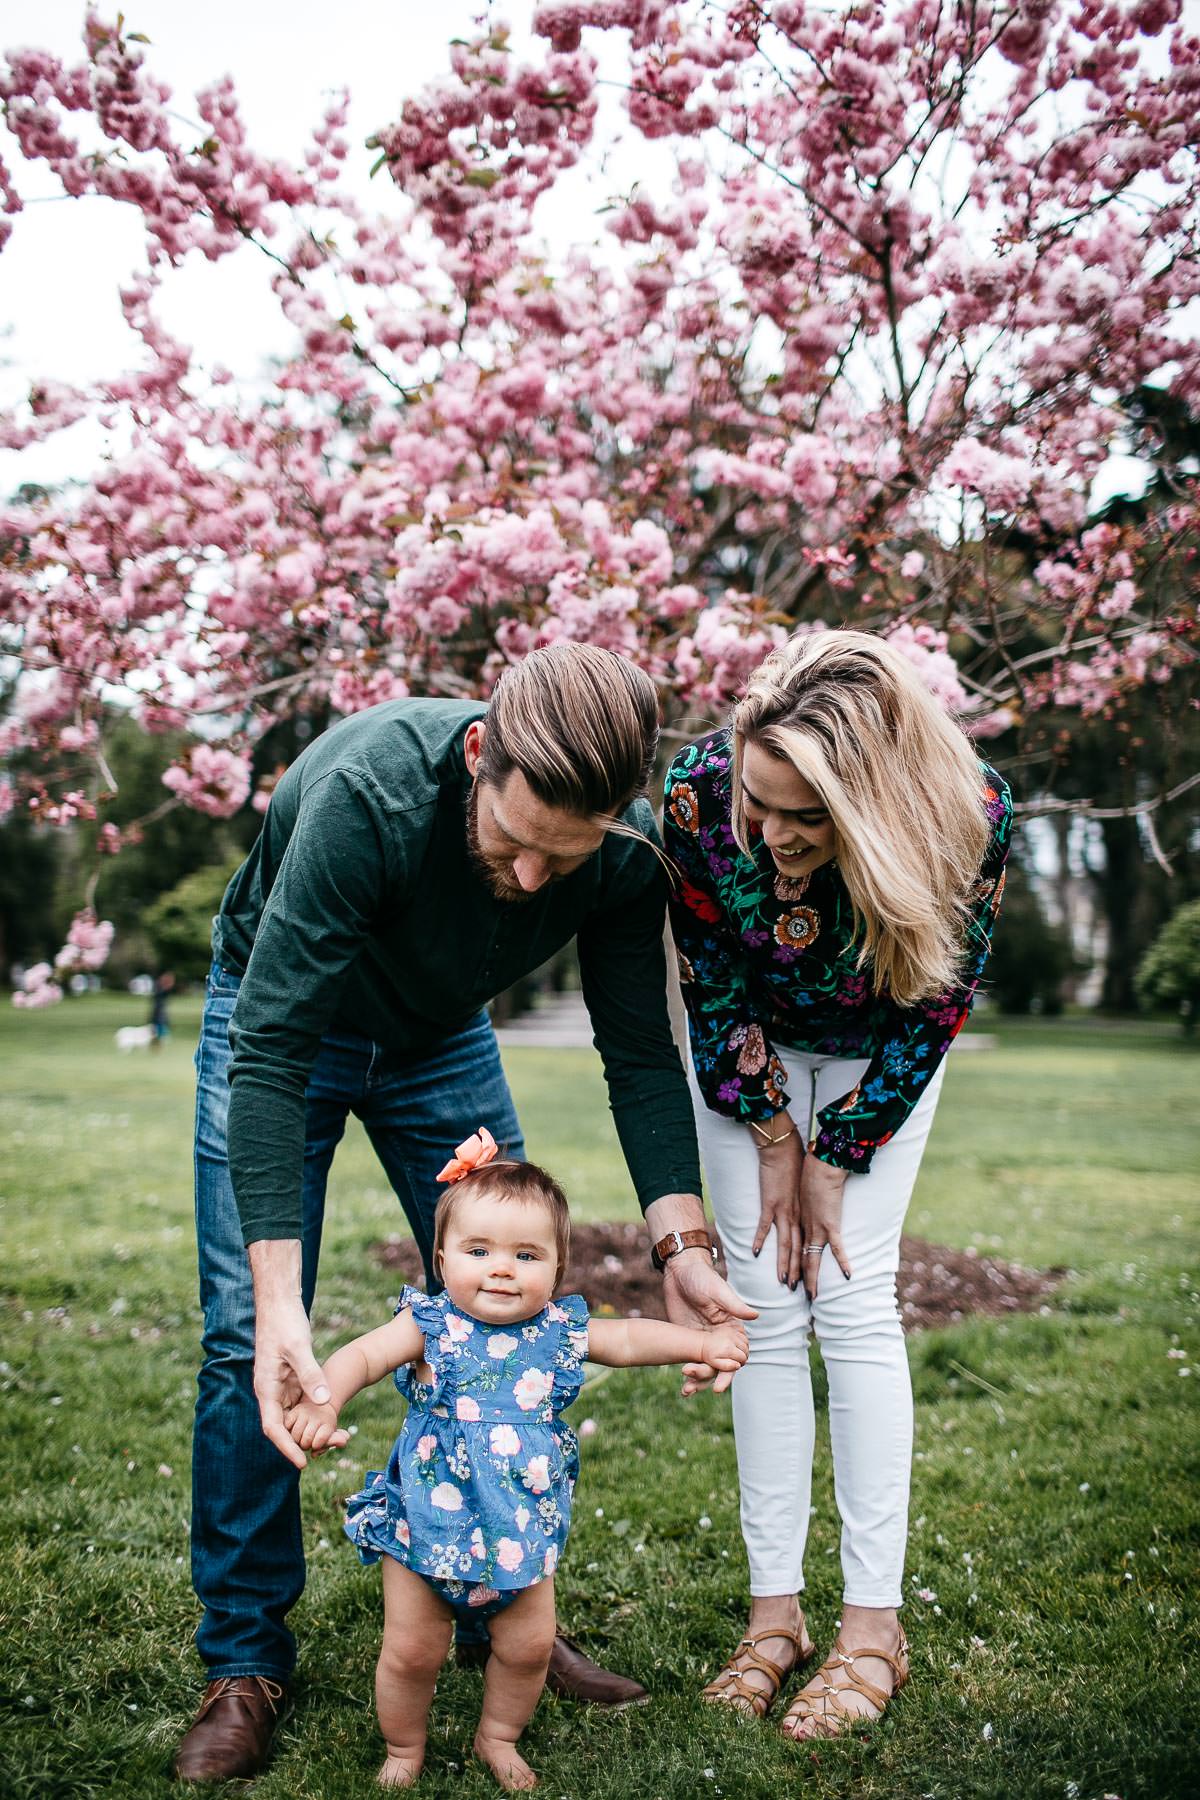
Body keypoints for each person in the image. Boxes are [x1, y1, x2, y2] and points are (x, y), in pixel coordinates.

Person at [175, 643, 750, 1783]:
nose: (538, 880)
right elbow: (274, 1044)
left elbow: (639, 1052)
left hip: (440, 1039)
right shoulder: (369, 796)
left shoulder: (629, 855)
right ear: (479, 755)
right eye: (517, 841)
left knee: (510, 1303)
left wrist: (681, 1247)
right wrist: (285, 1302)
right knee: (252, 1337)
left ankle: (503, 1617)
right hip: (285, 1021)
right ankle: (244, 1660)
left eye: (566, 855)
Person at [663, 628, 1011, 1740]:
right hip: (749, 1051)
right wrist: (774, 1134)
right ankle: (777, 1619)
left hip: (880, 1052)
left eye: (803, 817)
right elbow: (708, 977)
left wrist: (842, 1148)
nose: (769, 836)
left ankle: (874, 1629)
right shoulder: (698, 797)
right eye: (759, 806)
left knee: (854, 1303)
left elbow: (936, 1009)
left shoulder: (968, 816)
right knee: (760, 1306)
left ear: (872, 804)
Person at [285, 1129, 749, 1791]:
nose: (501, 1268)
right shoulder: (429, 1323)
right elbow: (359, 1356)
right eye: (479, 1251)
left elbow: (626, 1337)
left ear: (558, 1268)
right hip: (428, 1528)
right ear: (441, 1257)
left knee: (528, 1647)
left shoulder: (556, 1329)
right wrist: (325, 1401)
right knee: (414, 1652)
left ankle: (497, 1737)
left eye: (526, 1255)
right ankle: (403, 1747)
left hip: (521, 1529)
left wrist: (697, 1343)